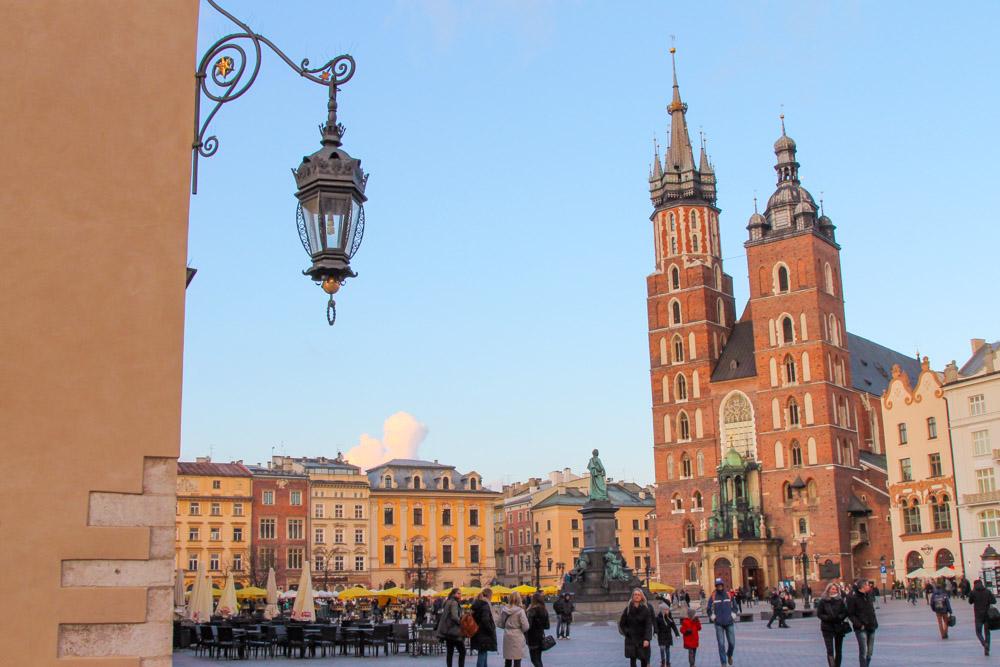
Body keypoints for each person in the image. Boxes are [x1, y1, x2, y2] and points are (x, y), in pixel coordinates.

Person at [619, 588, 654, 667]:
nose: (637, 596)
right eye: (635, 594)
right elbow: (622, 623)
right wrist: (627, 632)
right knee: (633, 660)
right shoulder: (628, 609)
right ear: (632, 596)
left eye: (638, 595)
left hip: (642, 638)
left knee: (643, 660)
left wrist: (647, 639)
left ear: (641, 597)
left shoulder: (646, 609)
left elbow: (648, 625)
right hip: (631, 638)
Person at [817, 582, 849, 667]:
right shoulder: (823, 601)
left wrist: (839, 617)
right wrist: (828, 618)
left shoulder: (840, 600)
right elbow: (819, 614)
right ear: (828, 590)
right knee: (830, 650)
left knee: (839, 650)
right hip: (827, 628)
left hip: (838, 627)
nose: (834, 590)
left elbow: (845, 612)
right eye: (832, 589)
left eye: (835, 589)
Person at [847, 579, 877, 667]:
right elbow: (850, 614)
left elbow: (872, 610)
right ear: (863, 586)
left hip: (872, 627)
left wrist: (875, 623)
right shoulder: (853, 597)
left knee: (870, 652)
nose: (869, 586)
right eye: (868, 585)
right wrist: (859, 625)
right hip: (861, 629)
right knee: (863, 651)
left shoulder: (868, 595)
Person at [707, 578, 735, 666]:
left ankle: (729, 654)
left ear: (723, 585)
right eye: (717, 585)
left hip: (729, 621)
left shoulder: (728, 594)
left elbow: (735, 606)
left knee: (732, 643)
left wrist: (733, 614)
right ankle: (723, 663)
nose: (719, 586)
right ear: (716, 586)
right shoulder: (713, 596)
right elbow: (708, 608)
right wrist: (712, 616)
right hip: (718, 623)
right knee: (721, 644)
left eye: (720, 585)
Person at [437, 588, 466, 667]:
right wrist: (461, 622)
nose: (460, 595)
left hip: (447, 631)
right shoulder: (454, 603)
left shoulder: (448, 601)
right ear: (453, 594)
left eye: (460, 593)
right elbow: (454, 616)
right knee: (462, 651)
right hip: (454, 631)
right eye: (458, 593)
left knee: (450, 652)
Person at [500, 592, 530, 667]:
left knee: (508, 659)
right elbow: (526, 626)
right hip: (517, 635)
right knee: (517, 660)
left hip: (507, 635)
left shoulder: (504, 610)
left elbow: (502, 623)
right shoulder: (520, 611)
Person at [470, 588, 498, 667]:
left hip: (477, 631)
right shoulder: (485, 604)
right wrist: (491, 629)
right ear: (489, 595)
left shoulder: (476, 604)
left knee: (483, 652)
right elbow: (485, 620)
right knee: (482, 653)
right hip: (484, 633)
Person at [970, 579, 997, 655]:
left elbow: (970, 602)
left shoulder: (973, 592)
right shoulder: (987, 591)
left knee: (978, 632)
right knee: (987, 633)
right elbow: (994, 601)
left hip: (978, 615)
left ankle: (984, 643)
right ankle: (987, 649)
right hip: (987, 615)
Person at [525, 592, 549, 667]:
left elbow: (528, 625)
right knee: (538, 658)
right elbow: (547, 626)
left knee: (534, 659)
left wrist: (527, 611)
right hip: (540, 636)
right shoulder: (544, 610)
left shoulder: (532, 610)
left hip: (532, 637)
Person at [653, 602, 680, 667]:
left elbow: (674, 626)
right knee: (662, 648)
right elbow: (656, 626)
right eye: (666, 610)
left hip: (668, 636)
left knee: (667, 650)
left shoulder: (669, 618)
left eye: (668, 609)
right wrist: (655, 632)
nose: (668, 611)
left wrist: (677, 634)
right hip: (661, 636)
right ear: (662, 610)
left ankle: (668, 662)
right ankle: (663, 661)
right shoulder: (658, 618)